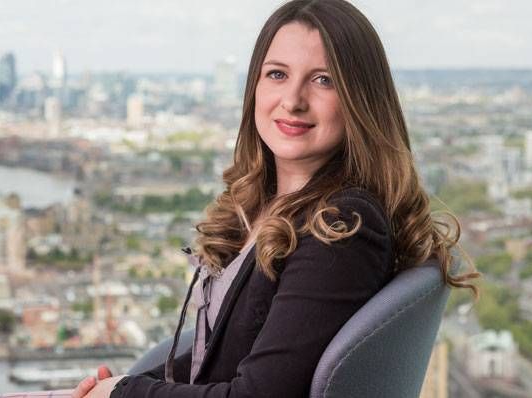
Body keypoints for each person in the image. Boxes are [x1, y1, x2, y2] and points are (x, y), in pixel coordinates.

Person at [72, 0, 478, 397]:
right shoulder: (265, 207)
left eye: (324, 80)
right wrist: (122, 386)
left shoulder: (342, 227)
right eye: (277, 74)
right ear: (254, 87)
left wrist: (124, 393)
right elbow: (223, 358)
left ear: (361, 100)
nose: (293, 100)